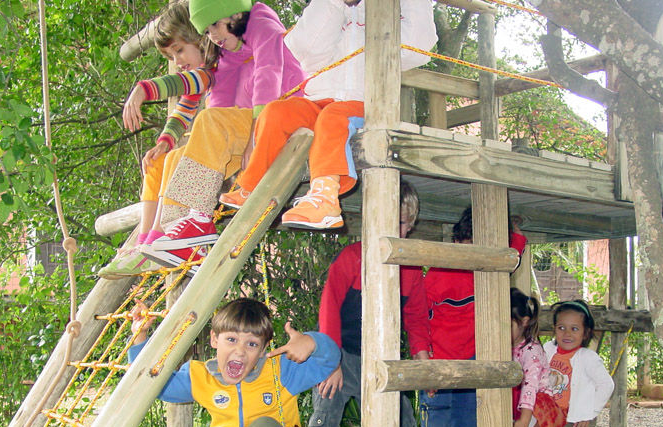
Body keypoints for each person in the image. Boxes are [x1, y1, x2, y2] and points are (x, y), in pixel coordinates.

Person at [214, 0, 438, 231]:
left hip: (368, 103)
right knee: (276, 112)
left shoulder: (393, 6)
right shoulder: (330, 5)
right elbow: (305, 51)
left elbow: (417, 49)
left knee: (333, 117)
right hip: (319, 99)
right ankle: (254, 187)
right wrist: (335, 3)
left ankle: (326, 198)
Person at [123, 0, 305, 273]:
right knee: (177, 156)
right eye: (208, 32)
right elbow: (216, 103)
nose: (214, 36)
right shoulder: (227, 53)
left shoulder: (261, 24)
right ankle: (174, 232)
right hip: (245, 125)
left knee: (207, 122)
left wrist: (259, 130)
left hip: (280, 116)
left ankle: (197, 220)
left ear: (235, 14)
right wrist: (170, 140)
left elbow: (269, 72)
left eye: (215, 27)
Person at [128, 297, 340, 427]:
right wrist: (140, 339)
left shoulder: (281, 372)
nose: (240, 351)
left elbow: (328, 361)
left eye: (251, 344)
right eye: (231, 339)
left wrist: (312, 343)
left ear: (264, 349)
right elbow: (158, 386)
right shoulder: (202, 376)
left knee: (264, 426)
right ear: (214, 339)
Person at [299, 181, 428, 427]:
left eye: (397, 221)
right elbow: (329, 306)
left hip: (382, 359)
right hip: (340, 356)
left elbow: (416, 318)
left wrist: (422, 356)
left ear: (409, 226)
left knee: (402, 414)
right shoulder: (353, 257)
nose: (389, 228)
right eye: (382, 219)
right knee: (324, 414)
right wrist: (330, 363)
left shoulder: (410, 268)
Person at [99, 1, 218, 278]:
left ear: (201, 39)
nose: (177, 61)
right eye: (171, 55)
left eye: (179, 50)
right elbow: (184, 110)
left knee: (176, 158)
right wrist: (164, 142)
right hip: (204, 157)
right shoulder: (199, 77)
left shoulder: (213, 71)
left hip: (216, 157)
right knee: (157, 161)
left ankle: (164, 233)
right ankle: (145, 242)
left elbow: (181, 83)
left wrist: (143, 89)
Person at [420, 207, 527, 427]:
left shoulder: (489, 271)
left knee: (467, 408)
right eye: (467, 248)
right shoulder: (438, 274)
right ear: (456, 243)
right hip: (440, 356)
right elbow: (419, 317)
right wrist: (425, 358)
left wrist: (512, 227)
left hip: (473, 353)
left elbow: (516, 251)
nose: (471, 257)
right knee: (436, 406)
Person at [509, 287, 566, 427]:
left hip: (536, 405)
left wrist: (524, 420)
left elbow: (530, 387)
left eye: (508, 325)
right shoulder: (508, 344)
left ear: (524, 321)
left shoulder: (531, 350)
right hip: (516, 399)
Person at [544, 299, 614, 427]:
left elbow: (606, 385)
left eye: (574, 329)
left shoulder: (587, 358)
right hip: (546, 408)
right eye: (561, 328)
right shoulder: (548, 349)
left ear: (586, 333)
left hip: (566, 413)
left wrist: (589, 413)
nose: (567, 334)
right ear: (554, 329)